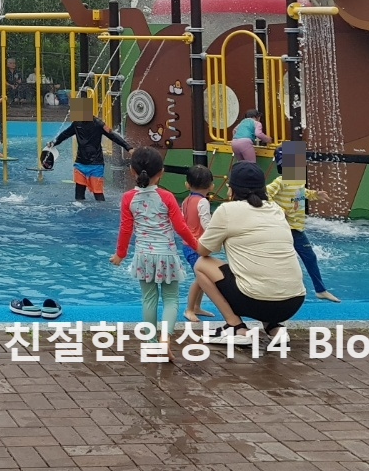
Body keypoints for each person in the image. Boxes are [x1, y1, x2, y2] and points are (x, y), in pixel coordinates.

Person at [193, 161, 306, 343]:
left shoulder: (227, 210)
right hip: (293, 302)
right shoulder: (276, 210)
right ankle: (274, 328)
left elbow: (203, 250)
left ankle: (236, 327)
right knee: (261, 269)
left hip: (256, 301)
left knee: (201, 265)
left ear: (232, 189)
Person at [110, 147, 201, 329]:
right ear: (161, 172)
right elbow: (181, 227)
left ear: (132, 171)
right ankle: (165, 339)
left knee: (149, 299)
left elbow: (125, 229)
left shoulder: (128, 198)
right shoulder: (166, 197)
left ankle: (150, 340)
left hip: (143, 257)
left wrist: (120, 254)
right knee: (171, 299)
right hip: (167, 256)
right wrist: (196, 245)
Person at [267, 141, 339, 302]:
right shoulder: (281, 181)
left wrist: (315, 194)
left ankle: (320, 290)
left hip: (297, 228)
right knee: (280, 260)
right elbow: (265, 194)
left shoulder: (298, 181)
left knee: (309, 257)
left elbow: (301, 192)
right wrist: (278, 210)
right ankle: (273, 291)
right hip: (284, 228)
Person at [53, 95, 131, 200]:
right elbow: (64, 135)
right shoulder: (77, 124)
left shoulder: (98, 124)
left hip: (96, 165)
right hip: (80, 164)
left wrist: (129, 148)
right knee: (79, 196)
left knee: (98, 194)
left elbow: (113, 136)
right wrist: (53, 143)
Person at [180, 164, 216, 321]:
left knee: (201, 275)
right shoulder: (203, 202)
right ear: (211, 186)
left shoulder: (186, 200)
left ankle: (196, 306)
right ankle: (189, 309)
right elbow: (206, 224)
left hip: (187, 244)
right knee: (201, 277)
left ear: (187, 184)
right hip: (197, 246)